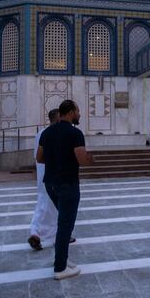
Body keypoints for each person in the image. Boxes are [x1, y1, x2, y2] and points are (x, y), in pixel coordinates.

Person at [36, 99, 94, 280]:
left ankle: (63, 258)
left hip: (50, 183)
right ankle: (60, 268)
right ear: (70, 113)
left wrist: (55, 161)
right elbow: (82, 160)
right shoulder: (75, 133)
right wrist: (89, 159)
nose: (79, 114)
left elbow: (40, 158)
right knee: (65, 225)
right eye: (78, 111)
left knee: (63, 223)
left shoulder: (47, 132)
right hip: (67, 183)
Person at [27, 109, 59, 251]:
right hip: (53, 176)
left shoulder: (40, 133)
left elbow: (37, 156)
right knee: (55, 206)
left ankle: (35, 232)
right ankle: (57, 235)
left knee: (42, 205)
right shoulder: (53, 134)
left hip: (43, 177)